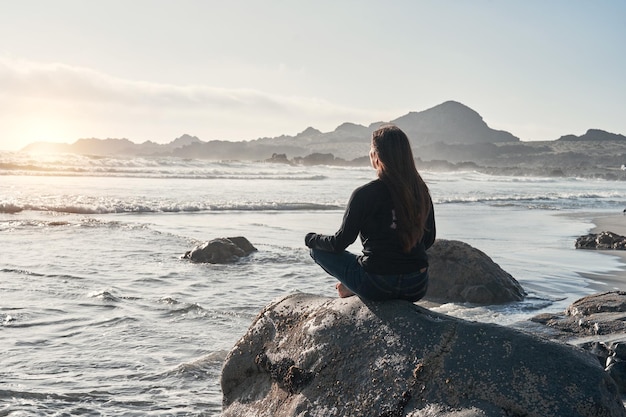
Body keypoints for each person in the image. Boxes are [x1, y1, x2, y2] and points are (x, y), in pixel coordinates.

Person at [304, 125, 436, 302]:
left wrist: (311, 238)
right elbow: (428, 240)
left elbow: (339, 243)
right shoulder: (421, 191)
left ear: (376, 156)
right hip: (416, 286)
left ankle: (351, 286)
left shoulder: (365, 194)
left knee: (317, 251)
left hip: (377, 285)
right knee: (370, 260)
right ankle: (353, 285)